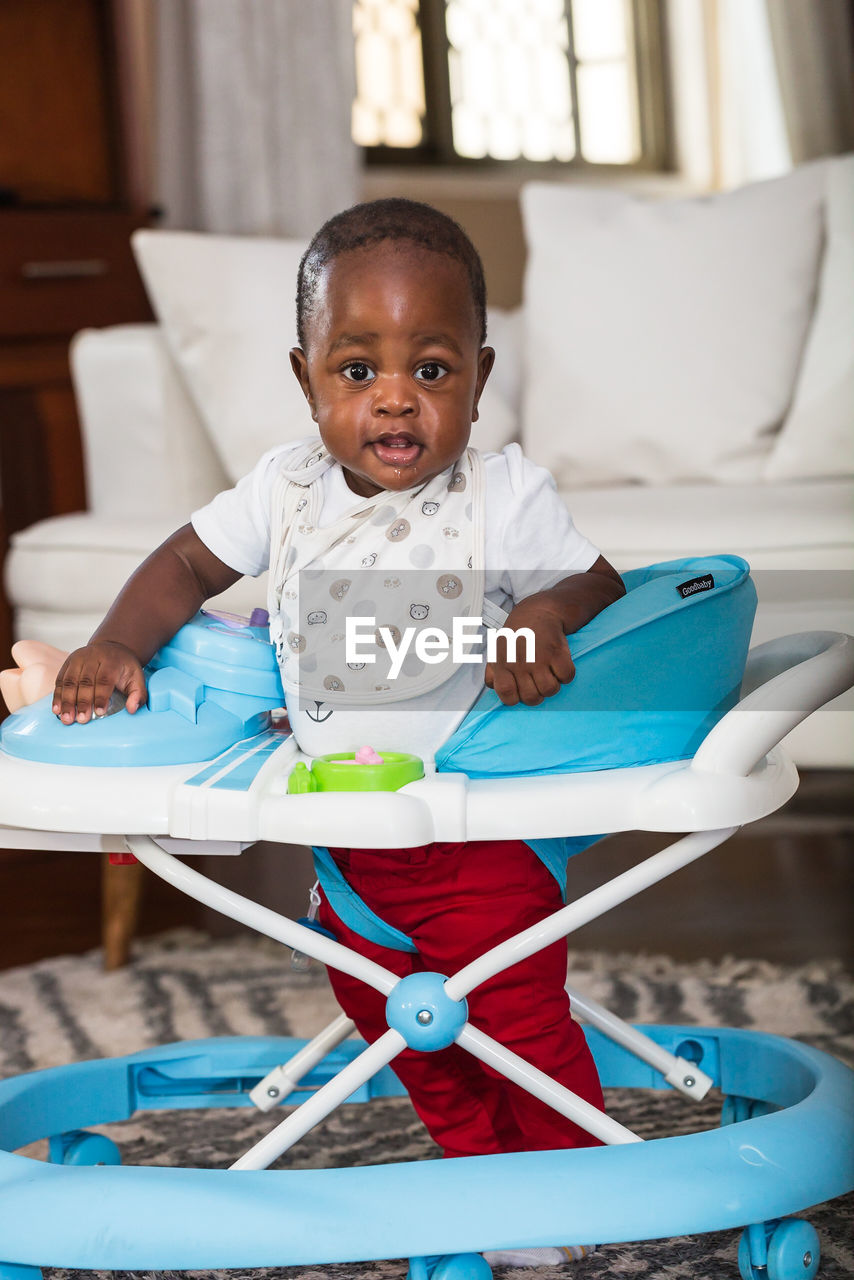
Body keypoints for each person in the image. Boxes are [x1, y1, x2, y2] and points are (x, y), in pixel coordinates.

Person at [53, 198, 623, 1267]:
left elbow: (595, 578)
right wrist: (114, 643)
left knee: (513, 1015)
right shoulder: (284, 490)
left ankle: (576, 1193)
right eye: (356, 370)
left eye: (434, 368)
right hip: (347, 845)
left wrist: (541, 613)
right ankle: (480, 1173)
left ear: (481, 377)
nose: (395, 396)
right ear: (305, 375)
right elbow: (182, 563)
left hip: (477, 831)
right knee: (384, 1010)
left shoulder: (502, 493)